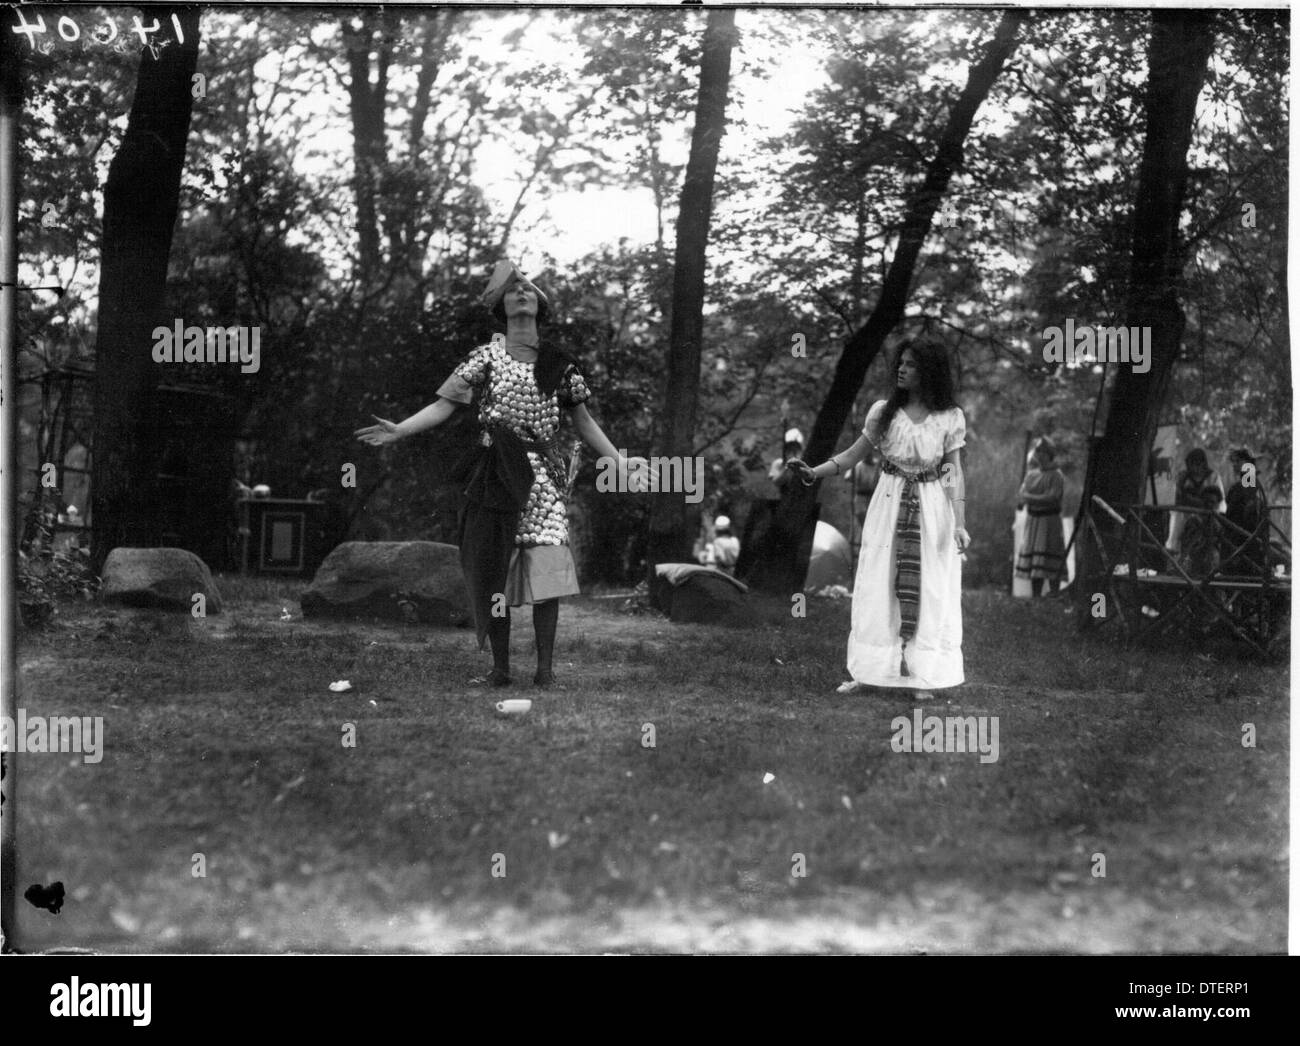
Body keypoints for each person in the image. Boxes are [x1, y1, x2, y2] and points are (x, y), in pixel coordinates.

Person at [356, 261, 646, 688]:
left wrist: (619, 461)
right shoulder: (485, 358)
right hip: (494, 474)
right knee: (492, 569)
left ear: (540, 305)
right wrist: (400, 429)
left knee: (547, 568)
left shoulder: (560, 364)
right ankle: (500, 669)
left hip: (544, 478)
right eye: (513, 290)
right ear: (503, 307)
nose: (522, 292)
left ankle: (545, 672)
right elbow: (444, 404)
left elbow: (583, 422)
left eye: (528, 288)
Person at [786, 341, 968, 697]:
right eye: (900, 363)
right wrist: (814, 472)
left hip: (931, 507)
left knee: (930, 587)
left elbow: (954, 473)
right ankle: (870, 669)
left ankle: (922, 675)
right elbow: (851, 456)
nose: (901, 369)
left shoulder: (949, 417)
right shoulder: (883, 412)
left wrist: (960, 523)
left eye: (911, 365)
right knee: (878, 582)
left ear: (929, 371)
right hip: (889, 502)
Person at [1014, 437, 1066, 596]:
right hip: (1034, 519)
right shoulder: (1031, 475)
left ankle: (1054, 593)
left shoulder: (1056, 475)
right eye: (1038, 451)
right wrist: (1030, 497)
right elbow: (1022, 494)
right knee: (1035, 556)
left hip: (1049, 521)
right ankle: (1036, 596)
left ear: (1050, 454)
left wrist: (1030, 497)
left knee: (1050, 554)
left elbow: (1052, 497)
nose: (1040, 455)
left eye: (1043, 452)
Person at [1173, 448, 1224, 578]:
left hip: (1209, 521)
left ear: (1201, 463)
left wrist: (1195, 501)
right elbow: (1178, 498)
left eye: (1193, 464)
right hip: (1187, 520)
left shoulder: (1213, 477)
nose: (1190, 468)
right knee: (1186, 547)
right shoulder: (1183, 477)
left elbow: (1217, 499)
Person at [1222, 447, 1269, 575]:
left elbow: (1249, 515)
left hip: (1244, 542)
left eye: (1238, 461)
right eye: (1233, 461)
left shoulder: (1249, 484)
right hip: (1242, 540)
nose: (1234, 465)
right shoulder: (1245, 484)